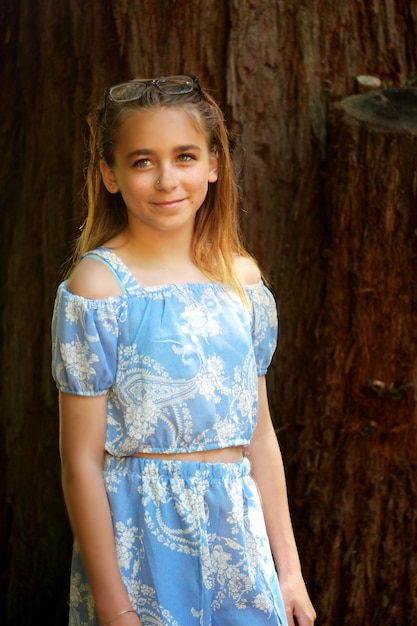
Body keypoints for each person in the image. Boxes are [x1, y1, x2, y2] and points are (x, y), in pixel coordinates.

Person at [51, 74, 316, 626]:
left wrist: (288, 573)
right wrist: (114, 604)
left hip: (237, 543)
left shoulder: (242, 282)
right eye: (143, 161)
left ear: (214, 164)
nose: (167, 179)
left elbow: (260, 438)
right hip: (139, 542)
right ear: (110, 175)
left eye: (186, 156)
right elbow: (79, 460)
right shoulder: (98, 290)